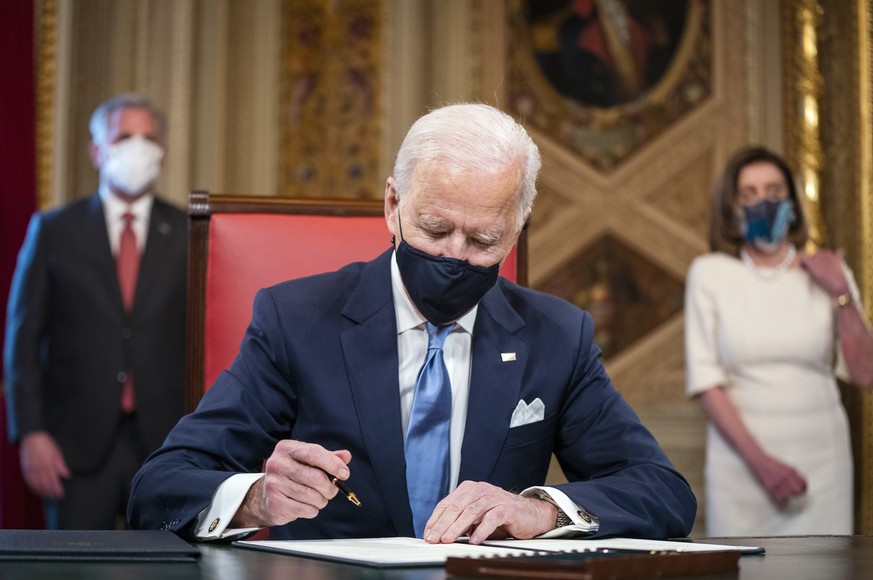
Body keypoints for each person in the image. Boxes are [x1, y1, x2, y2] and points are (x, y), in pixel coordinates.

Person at [127, 103, 695, 543]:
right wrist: (257, 498)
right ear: (393, 205)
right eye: (434, 228)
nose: (453, 255)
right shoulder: (296, 321)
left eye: (482, 240)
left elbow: (663, 492)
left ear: (515, 232)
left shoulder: (557, 336)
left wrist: (541, 510)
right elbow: (161, 486)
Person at [3, 93, 188, 529]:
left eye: (148, 137)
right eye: (124, 136)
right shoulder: (54, 230)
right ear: (97, 150)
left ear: (162, 149)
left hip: (167, 445)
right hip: (74, 448)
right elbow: (23, 340)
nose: (138, 148)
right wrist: (30, 433)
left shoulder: (188, 233)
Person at [685, 146, 873, 537]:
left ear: (792, 201)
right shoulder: (710, 273)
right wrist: (764, 466)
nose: (762, 203)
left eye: (773, 191)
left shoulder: (828, 273)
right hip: (741, 465)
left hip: (822, 461)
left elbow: (865, 372)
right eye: (748, 194)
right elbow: (706, 382)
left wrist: (841, 292)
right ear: (732, 207)